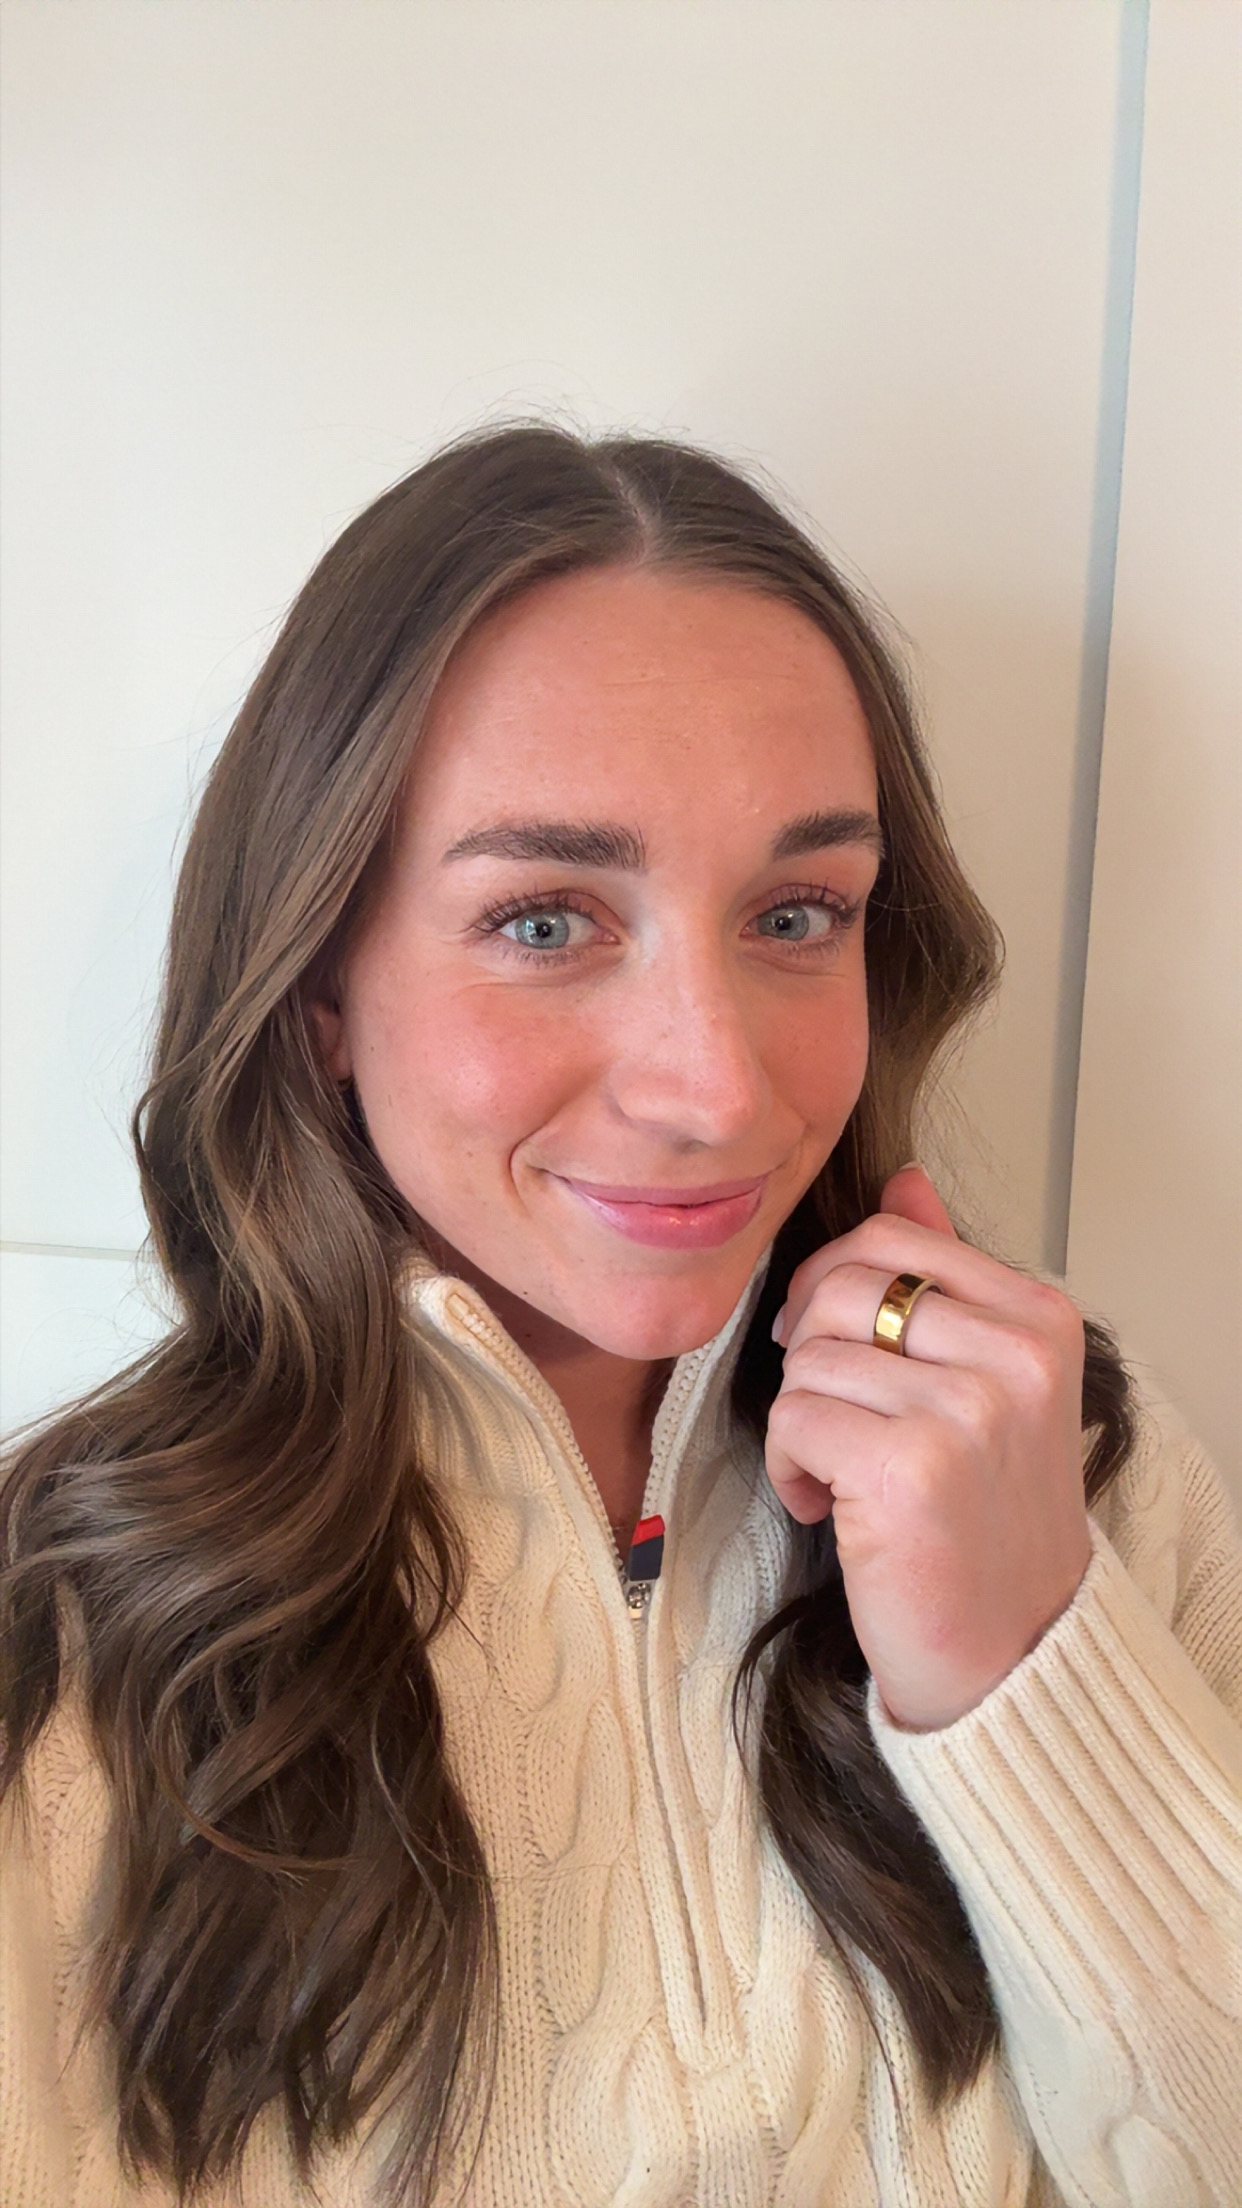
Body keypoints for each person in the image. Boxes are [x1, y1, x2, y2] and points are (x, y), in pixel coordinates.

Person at [1, 424, 1238, 2208]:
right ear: (322, 985)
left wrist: (1024, 1673)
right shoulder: (58, 1630)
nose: (715, 1086)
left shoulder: (1079, 1474)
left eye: (797, 913)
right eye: (544, 921)